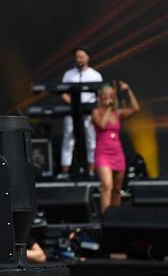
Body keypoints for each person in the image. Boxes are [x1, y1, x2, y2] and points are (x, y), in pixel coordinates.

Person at [92, 81, 140, 212]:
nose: (108, 98)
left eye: (111, 95)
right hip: (103, 153)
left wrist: (128, 90)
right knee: (107, 185)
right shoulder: (96, 112)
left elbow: (136, 109)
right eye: (105, 95)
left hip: (117, 153)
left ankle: (114, 217)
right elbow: (102, 125)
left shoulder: (118, 113)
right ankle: (105, 216)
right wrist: (107, 108)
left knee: (117, 189)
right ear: (100, 97)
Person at [59, 46, 103, 175]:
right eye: (77, 57)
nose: (79, 59)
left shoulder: (95, 75)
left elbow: (100, 94)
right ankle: (65, 170)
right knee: (68, 138)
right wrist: (72, 103)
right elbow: (62, 92)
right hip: (72, 110)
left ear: (87, 57)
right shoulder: (69, 74)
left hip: (89, 110)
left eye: (81, 57)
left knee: (91, 138)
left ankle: (91, 169)